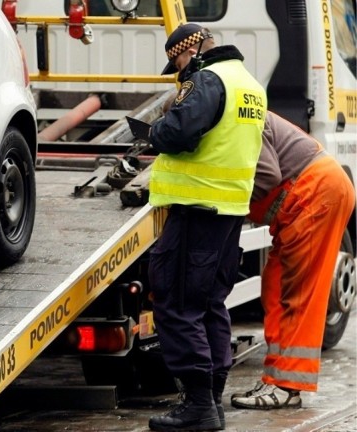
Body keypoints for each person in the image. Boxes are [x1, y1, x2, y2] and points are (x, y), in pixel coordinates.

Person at [145, 23, 266, 431]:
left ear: (192, 49)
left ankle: (197, 406)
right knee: (210, 304)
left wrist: (154, 133)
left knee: (178, 303)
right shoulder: (248, 83)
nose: (178, 71)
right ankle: (210, 402)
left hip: (196, 209)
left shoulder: (208, 79)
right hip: (228, 211)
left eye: (177, 61)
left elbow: (180, 131)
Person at [230, 111, 355, 410]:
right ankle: (277, 380)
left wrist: (229, 203)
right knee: (276, 286)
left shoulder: (237, 121)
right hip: (314, 192)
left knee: (297, 294)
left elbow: (267, 177)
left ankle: (287, 387)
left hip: (314, 194)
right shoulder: (239, 112)